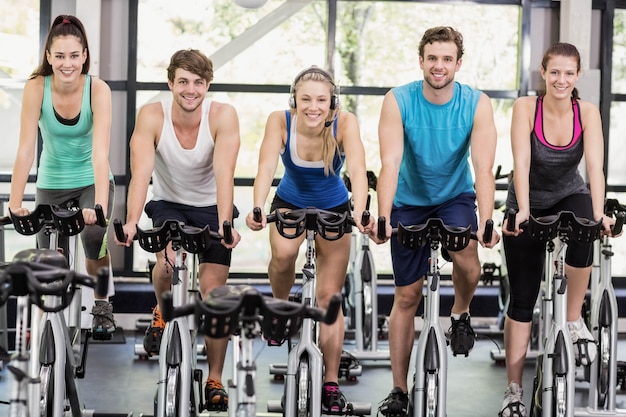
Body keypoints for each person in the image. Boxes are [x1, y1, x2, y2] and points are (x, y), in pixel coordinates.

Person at [371, 26, 500, 416]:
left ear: (458, 63)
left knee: (467, 259)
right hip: (409, 200)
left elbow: (482, 167)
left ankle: (459, 313)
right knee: (406, 297)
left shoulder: (476, 103)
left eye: (447, 59)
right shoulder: (398, 100)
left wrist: (488, 219)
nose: (439, 66)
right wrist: (382, 215)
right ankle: (398, 389)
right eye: (432, 58)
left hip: (454, 197)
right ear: (421, 60)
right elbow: (390, 163)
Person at [115, 49, 241, 412]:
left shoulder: (222, 115)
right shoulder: (152, 115)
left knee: (214, 294)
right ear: (170, 83)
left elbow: (224, 173)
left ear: (207, 85)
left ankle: (214, 378)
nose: (190, 89)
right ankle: (161, 308)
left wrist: (226, 224)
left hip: (211, 206)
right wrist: (130, 221)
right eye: (182, 81)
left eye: (198, 83)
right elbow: (140, 174)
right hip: (168, 203)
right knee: (168, 268)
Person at [245, 66, 374, 414]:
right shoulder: (280, 121)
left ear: (332, 101)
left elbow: (358, 171)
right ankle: (279, 308)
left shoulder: (345, 123)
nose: (313, 107)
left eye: (321, 99)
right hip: (290, 201)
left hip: (334, 205)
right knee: (284, 255)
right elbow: (265, 167)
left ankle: (330, 382)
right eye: (306, 99)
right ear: (295, 100)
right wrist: (257, 206)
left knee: (330, 297)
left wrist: (361, 211)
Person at [498, 42, 615, 417]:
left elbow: (594, 168)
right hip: (526, 201)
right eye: (554, 72)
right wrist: (523, 213)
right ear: (543, 74)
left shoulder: (588, 112)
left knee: (586, 225)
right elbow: (521, 161)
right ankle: (514, 390)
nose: (561, 79)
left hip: (568, 194)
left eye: (569, 73)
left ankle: (572, 317)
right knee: (523, 298)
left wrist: (600, 215)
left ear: (577, 75)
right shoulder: (525, 108)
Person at [8, 14, 116, 339]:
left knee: (94, 241)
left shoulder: (97, 89)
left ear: (84, 55)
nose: (67, 64)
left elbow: (100, 154)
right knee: (48, 261)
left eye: (73, 55)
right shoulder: (36, 87)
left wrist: (97, 206)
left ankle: (101, 304)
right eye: (59, 56)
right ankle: (46, 328)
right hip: (51, 180)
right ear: (48, 57)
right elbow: (26, 150)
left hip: (90, 178)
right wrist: (15, 203)